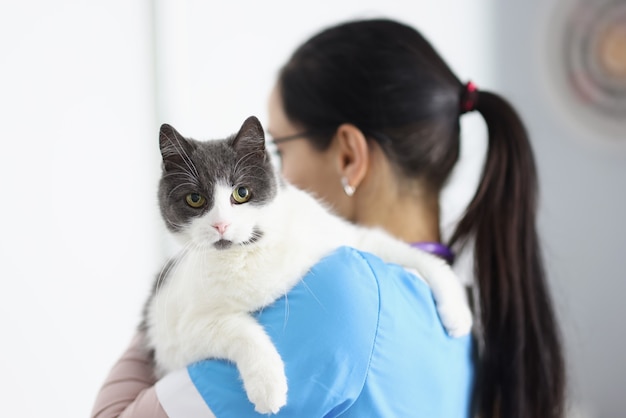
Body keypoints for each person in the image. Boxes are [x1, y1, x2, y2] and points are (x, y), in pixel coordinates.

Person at [91, 18, 565, 418]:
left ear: (347, 157)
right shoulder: (455, 310)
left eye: (276, 149)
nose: (274, 173)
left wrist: (175, 294)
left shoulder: (335, 294)